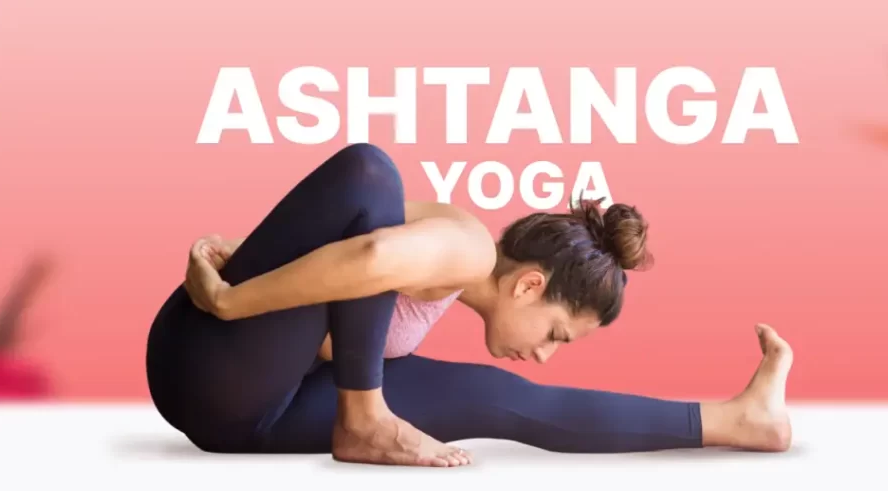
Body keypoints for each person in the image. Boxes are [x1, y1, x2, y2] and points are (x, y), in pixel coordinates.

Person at [146, 143, 794, 467]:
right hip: (208, 367)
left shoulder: (442, 255)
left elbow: (336, 248)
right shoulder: (468, 247)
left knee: (506, 397)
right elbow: (368, 253)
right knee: (371, 169)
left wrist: (242, 253)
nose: (544, 354)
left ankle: (739, 419)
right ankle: (363, 417)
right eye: (557, 335)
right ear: (530, 285)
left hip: (244, 413)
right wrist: (231, 299)